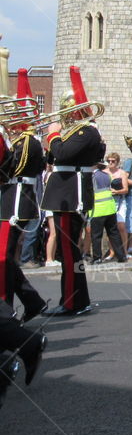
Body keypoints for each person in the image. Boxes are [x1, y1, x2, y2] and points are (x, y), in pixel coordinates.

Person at [41, 66, 103, 317]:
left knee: (68, 251)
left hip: (71, 194)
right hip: (63, 193)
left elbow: (62, 153)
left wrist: (54, 134)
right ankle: (78, 299)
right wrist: (56, 137)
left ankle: (71, 301)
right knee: (68, 251)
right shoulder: (75, 131)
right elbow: (53, 157)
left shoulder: (86, 131)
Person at [0, 67, 47, 319]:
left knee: (3, 257)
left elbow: (13, 168)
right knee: (4, 257)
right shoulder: (17, 139)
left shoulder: (28, 140)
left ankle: (6, 308)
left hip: (18, 200)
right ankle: (32, 301)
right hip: (10, 198)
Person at [88, 162, 125, 263]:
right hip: (110, 208)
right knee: (114, 233)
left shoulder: (91, 177)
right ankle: (121, 256)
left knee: (96, 236)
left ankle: (97, 258)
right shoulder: (106, 175)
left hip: (97, 210)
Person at [105, 152, 129, 250]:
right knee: (109, 227)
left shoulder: (121, 173)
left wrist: (117, 191)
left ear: (117, 162)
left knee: (121, 226)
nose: (110, 163)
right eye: (109, 161)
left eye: (113, 161)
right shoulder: (104, 172)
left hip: (120, 200)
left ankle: (124, 250)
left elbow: (126, 189)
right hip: (108, 201)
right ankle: (111, 251)